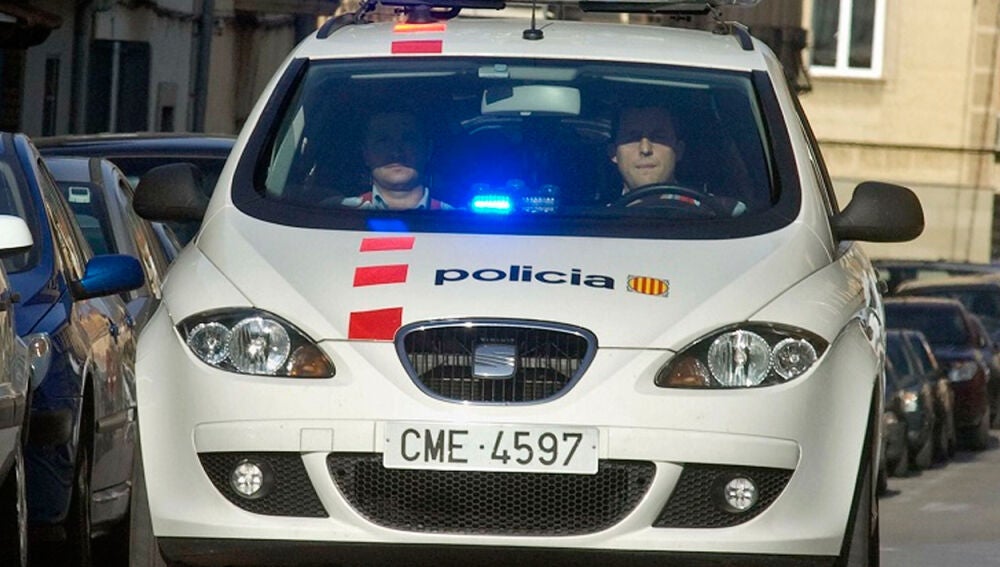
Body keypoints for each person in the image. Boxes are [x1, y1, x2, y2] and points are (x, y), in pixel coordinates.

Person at [609, 105, 746, 215]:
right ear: (613, 153)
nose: (645, 149)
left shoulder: (727, 214)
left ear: (678, 151)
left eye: (658, 137)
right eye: (632, 138)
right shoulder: (599, 222)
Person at [341, 110, 452, 210]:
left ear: (427, 150)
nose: (396, 153)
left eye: (408, 140)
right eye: (383, 141)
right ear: (366, 154)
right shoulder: (342, 214)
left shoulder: (455, 220)